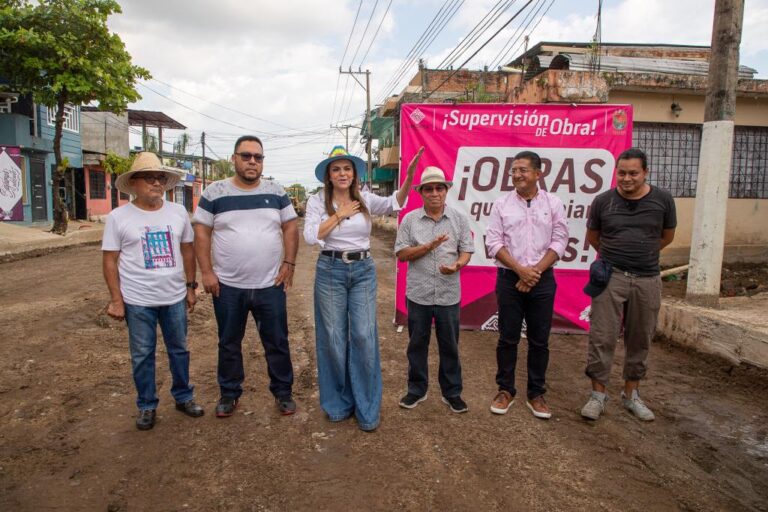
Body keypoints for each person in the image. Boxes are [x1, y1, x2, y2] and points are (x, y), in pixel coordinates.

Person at [303, 146, 420, 431]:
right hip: (330, 270)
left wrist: (408, 178)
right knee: (332, 337)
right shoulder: (317, 201)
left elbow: (395, 202)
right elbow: (309, 236)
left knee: (364, 336)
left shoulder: (365, 199)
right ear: (328, 176)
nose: (342, 173)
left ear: (354, 173)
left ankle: (366, 407)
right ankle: (337, 403)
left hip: (363, 271)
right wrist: (340, 214)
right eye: (336, 169)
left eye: (347, 168)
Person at [193, 135, 299, 418]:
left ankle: (283, 392)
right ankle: (229, 393)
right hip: (228, 286)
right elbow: (201, 232)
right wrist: (206, 272)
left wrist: (289, 262)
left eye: (258, 157)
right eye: (246, 156)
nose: (253, 161)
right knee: (228, 342)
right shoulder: (214, 193)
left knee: (277, 340)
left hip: (270, 285)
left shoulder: (276, 192)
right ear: (234, 159)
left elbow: (290, 226)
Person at [102, 152, 204, 431]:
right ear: (134, 183)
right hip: (137, 300)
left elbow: (187, 249)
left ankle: (184, 397)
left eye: (160, 178)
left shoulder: (178, 212)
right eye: (149, 178)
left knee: (179, 350)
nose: (156, 183)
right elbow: (110, 259)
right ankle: (147, 405)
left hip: (173, 297)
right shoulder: (118, 217)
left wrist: (191, 287)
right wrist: (116, 299)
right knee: (143, 354)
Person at [580, 147, 676, 422]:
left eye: (633, 173)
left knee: (640, 338)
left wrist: (641, 255)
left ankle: (631, 394)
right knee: (602, 337)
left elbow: (666, 236)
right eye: (621, 173)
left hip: (647, 278)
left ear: (645, 172)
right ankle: (597, 395)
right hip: (610, 277)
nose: (626, 178)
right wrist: (618, 257)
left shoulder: (663, 200)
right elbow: (594, 237)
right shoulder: (602, 201)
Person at [485, 150, 569, 420]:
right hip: (510, 279)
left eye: (522, 170)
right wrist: (520, 270)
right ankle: (505, 390)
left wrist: (535, 272)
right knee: (507, 337)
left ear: (538, 173)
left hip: (543, 280)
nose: (517, 175)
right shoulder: (501, 204)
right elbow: (493, 243)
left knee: (539, 340)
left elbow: (560, 241)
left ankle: (536, 393)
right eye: (514, 170)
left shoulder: (553, 203)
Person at [394, 166, 474, 414]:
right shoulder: (409, 220)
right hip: (419, 293)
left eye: (439, 188)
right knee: (417, 344)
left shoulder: (459, 219)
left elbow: (467, 249)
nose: (434, 193)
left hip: (449, 293)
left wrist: (458, 264)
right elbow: (402, 254)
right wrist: (429, 246)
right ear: (421, 193)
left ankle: (452, 393)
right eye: (429, 189)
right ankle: (417, 390)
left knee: (449, 344)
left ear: (446, 190)